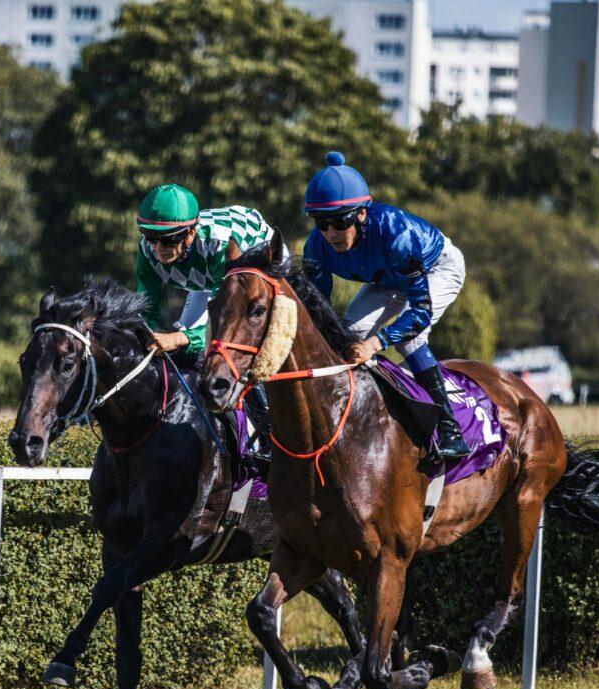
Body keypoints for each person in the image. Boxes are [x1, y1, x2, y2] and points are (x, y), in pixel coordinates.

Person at [301, 151, 470, 460]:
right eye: (321, 223)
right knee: (347, 336)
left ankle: (451, 430)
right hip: (387, 278)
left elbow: (420, 313)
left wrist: (376, 344)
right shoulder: (316, 247)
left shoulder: (398, 237)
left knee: (409, 337)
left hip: (437, 267)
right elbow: (319, 310)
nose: (331, 234)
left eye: (339, 221)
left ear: (362, 214)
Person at [134, 183, 286, 458]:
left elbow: (227, 317)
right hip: (209, 277)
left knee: (227, 344)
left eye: (169, 239)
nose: (158, 248)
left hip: (249, 257)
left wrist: (179, 339)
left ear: (190, 233)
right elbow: (147, 311)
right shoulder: (147, 251)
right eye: (151, 237)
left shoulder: (220, 242)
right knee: (184, 345)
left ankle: (268, 439)